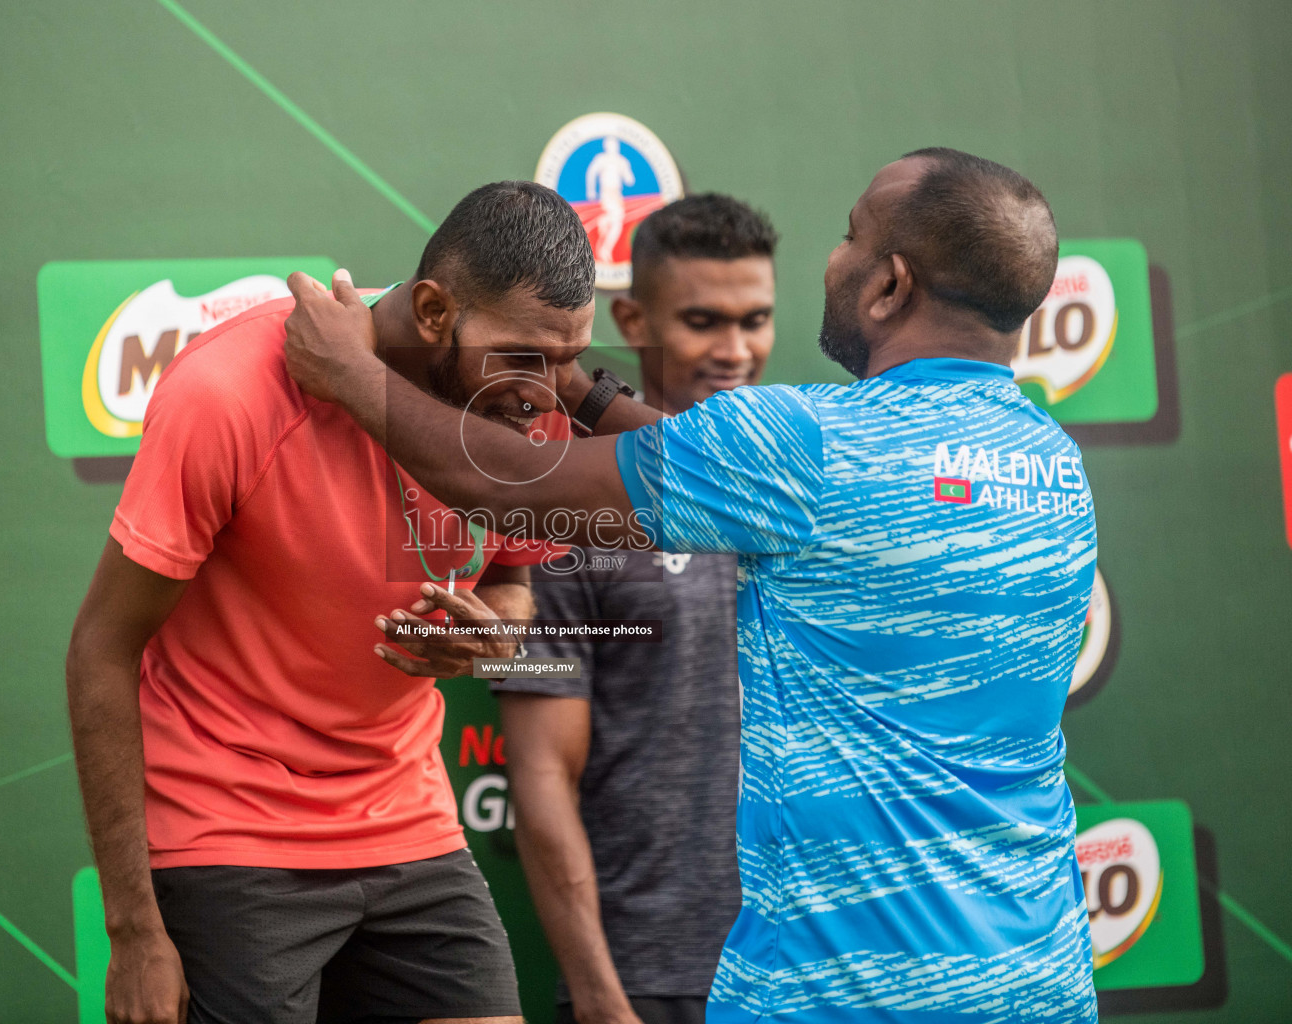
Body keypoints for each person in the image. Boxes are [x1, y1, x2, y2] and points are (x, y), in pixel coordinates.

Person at [283, 148, 1101, 1023]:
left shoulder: (804, 445)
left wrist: (351, 373)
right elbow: (728, 481)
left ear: (890, 286)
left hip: (843, 990)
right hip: (1037, 973)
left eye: (849, 235)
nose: (835, 256)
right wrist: (579, 388)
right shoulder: (1052, 465)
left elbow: (497, 480)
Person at [65, 181, 603, 1024]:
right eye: (528, 357)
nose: (549, 392)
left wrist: (494, 636)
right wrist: (134, 928)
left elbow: (512, 585)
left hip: (409, 822)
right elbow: (102, 648)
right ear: (432, 310)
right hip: (229, 830)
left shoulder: (528, 411)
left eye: (569, 358)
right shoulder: (231, 393)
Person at [493, 194, 778, 1024]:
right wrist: (599, 994)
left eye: (755, 319)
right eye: (702, 320)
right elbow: (541, 773)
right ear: (631, 317)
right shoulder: (563, 511)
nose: (735, 350)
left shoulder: (793, 492)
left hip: (809, 971)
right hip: (652, 980)